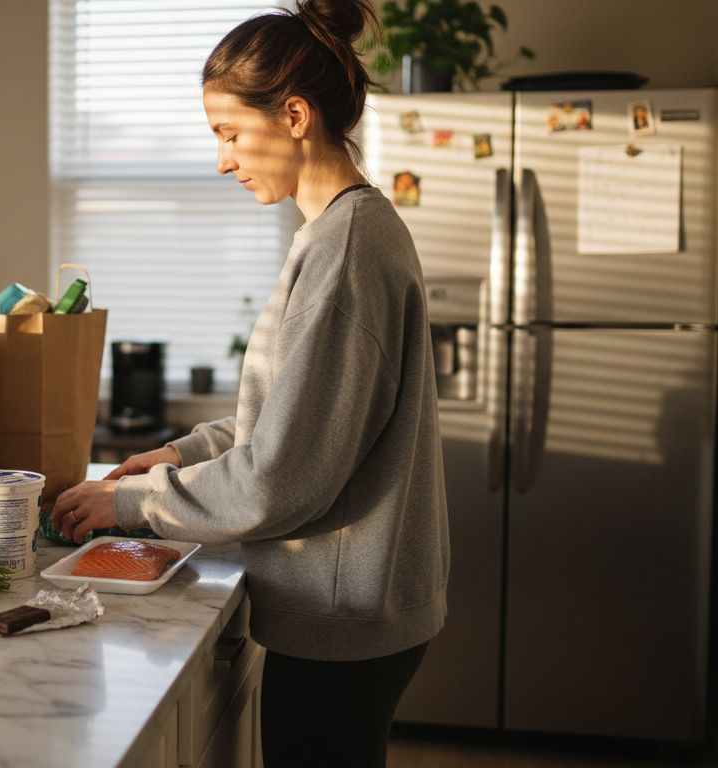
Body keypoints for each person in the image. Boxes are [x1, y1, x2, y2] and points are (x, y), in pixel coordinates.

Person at [50, 0, 448, 766]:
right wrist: (176, 454)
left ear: (294, 115)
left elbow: (283, 476)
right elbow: (290, 418)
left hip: (343, 612)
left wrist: (130, 500)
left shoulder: (347, 251)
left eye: (230, 133)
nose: (223, 159)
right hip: (347, 605)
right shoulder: (337, 235)